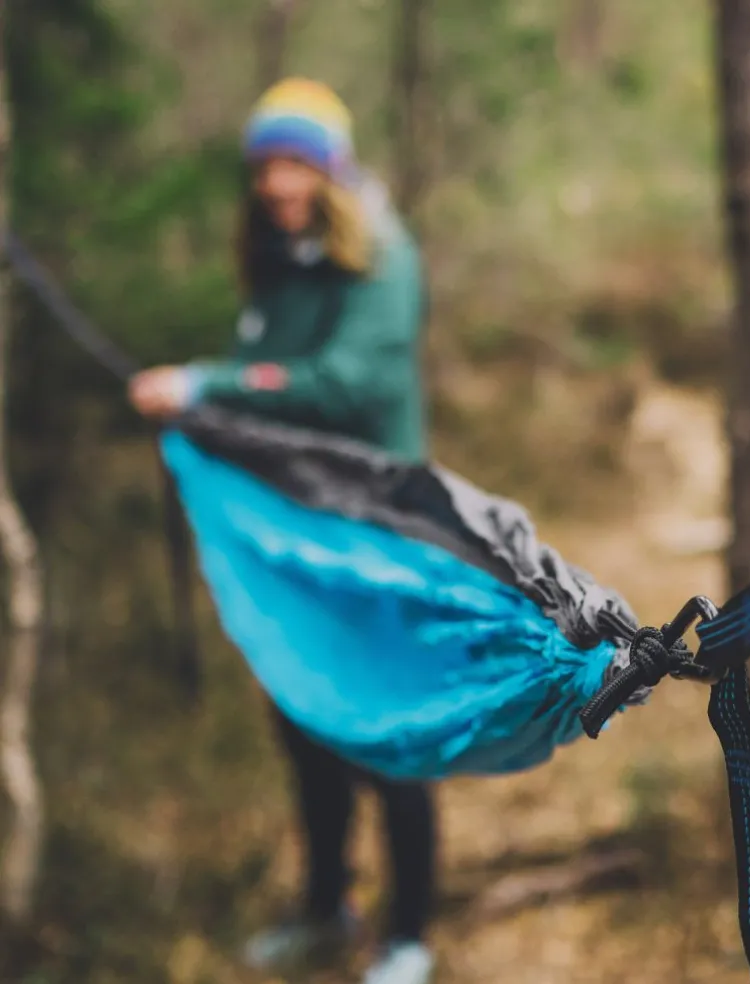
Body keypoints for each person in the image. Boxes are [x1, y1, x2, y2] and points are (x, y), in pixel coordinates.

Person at [128, 78, 437, 984]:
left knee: (384, 722)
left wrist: (205, 388)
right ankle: (323, 909)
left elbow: (349, 383)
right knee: (302, 714)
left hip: (373, 525)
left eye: (297, 161)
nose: (277, 181)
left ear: (332, 167)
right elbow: (268, 368)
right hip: (290, 528)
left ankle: (409, 931)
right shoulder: (274, 254)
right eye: (266, 164)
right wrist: (203, 401)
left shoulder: (381, 254)